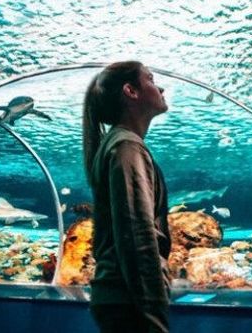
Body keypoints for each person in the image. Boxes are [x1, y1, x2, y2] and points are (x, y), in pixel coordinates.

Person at [82, 61, 172, 333]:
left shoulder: (118, 143)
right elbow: (136, 234)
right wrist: (153, 308)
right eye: (151, 80)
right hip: (130, 300)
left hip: (121, 297)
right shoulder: (127, 146)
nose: (160, 87)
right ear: (131, 91)